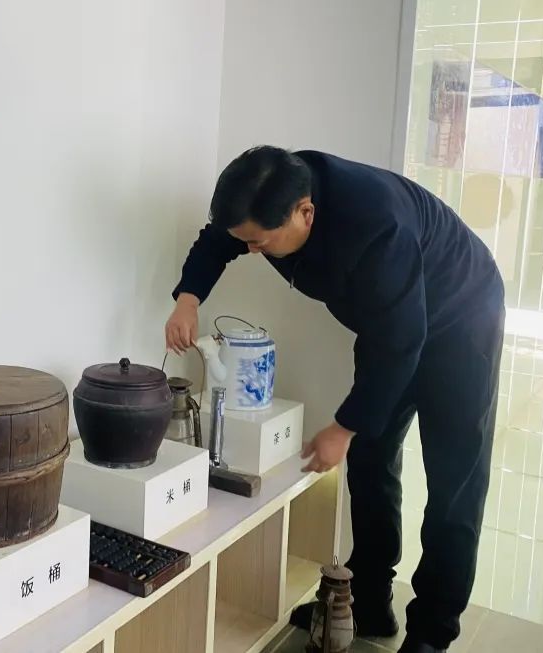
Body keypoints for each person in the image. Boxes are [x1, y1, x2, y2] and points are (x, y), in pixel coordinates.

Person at [165, 147, 504, 653]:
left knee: (454, 484)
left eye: (260, 242)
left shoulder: (378, 226)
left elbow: (402, 343)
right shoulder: (268, 193)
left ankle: (432, 635)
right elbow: (220, 239)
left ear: (306, 212)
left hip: (462, 320)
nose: (251, 251)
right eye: (246, 240)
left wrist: (342, 428)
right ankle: (368, 601)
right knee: (370, 460)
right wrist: (188, 299)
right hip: (391, 323)